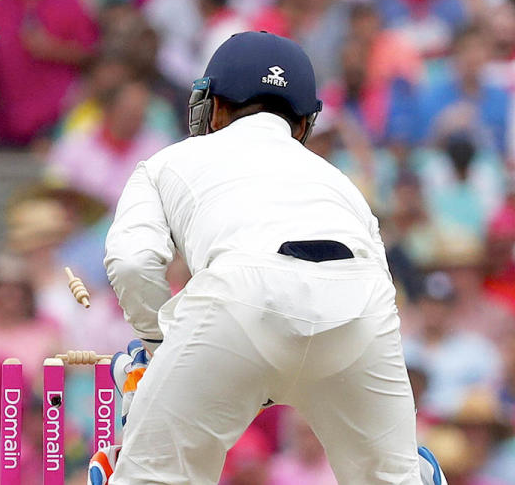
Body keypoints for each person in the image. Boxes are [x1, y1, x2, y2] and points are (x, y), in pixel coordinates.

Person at [99, 32, 447, 484]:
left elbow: (132, 262)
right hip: (360, 310)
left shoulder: (169, 161)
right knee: (394, 477)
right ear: (303, 122)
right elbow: (382, 287)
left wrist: (158, 347)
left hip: (238, 302)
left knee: (153, 478)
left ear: (215, 106)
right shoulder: (339, 182)